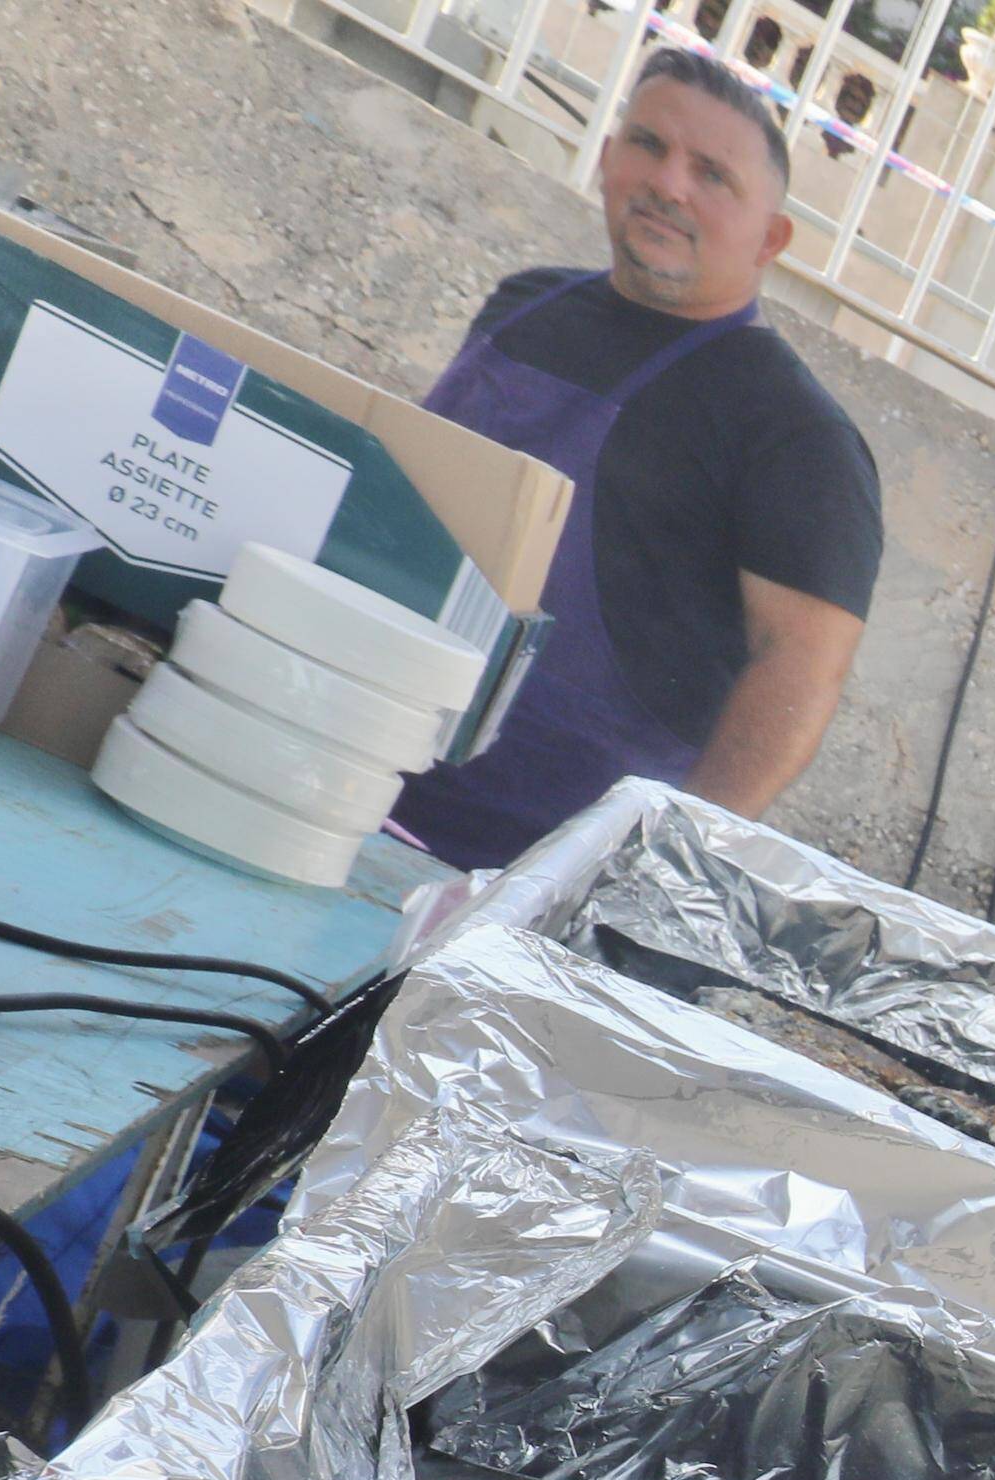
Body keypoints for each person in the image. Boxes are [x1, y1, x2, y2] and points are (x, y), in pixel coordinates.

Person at [392, 50, 881, 868]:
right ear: (610, 155)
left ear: (772, 237)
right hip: (362, 769)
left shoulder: (798, 436)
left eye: (714, 175)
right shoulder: (521, 306)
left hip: (529, 879)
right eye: (648, 144)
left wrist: (644, 871)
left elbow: (800, 675)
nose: (670, 183)